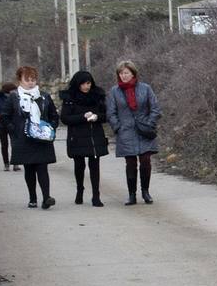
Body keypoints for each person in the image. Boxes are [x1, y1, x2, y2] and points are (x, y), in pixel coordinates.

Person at [1, 66, 59, 209]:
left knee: (42, 168)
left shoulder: (44, 96)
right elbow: (5, 116)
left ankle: (46, 198)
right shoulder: (14, 97)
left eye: (33, 79)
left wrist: (50, 127)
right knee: (29, 169)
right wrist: (14, 129)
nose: (31, 83)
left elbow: (53, 115)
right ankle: (32, 198)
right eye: (27, 80)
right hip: (23, 139)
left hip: (42, 138)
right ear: (20, 80)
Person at [106, 60, 161, 205]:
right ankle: (131, 194)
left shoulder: (145, 88)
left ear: (133, 73)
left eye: (126, 73)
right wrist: (117, 127)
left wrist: (149, 123)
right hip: (126, 132)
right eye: (121, 73)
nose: (124, 76)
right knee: (130, 163)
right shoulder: (114, 91)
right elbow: (111, 112)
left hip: (144, 130)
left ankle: (145, 191)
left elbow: (155, 108)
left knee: (145, 161)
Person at [59, 70, 109, 207]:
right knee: (79, 165)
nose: (86, 86)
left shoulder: (97, 95)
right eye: (83, 84)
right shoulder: (70, 98)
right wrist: (83, 117)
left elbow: (106, 115)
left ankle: (96, 195)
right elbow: (65, 118)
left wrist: (97, 117)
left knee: (94, 165)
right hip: (77, 136)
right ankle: (80, 189)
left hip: (94, 135)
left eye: (88, 83)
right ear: (77, 84)